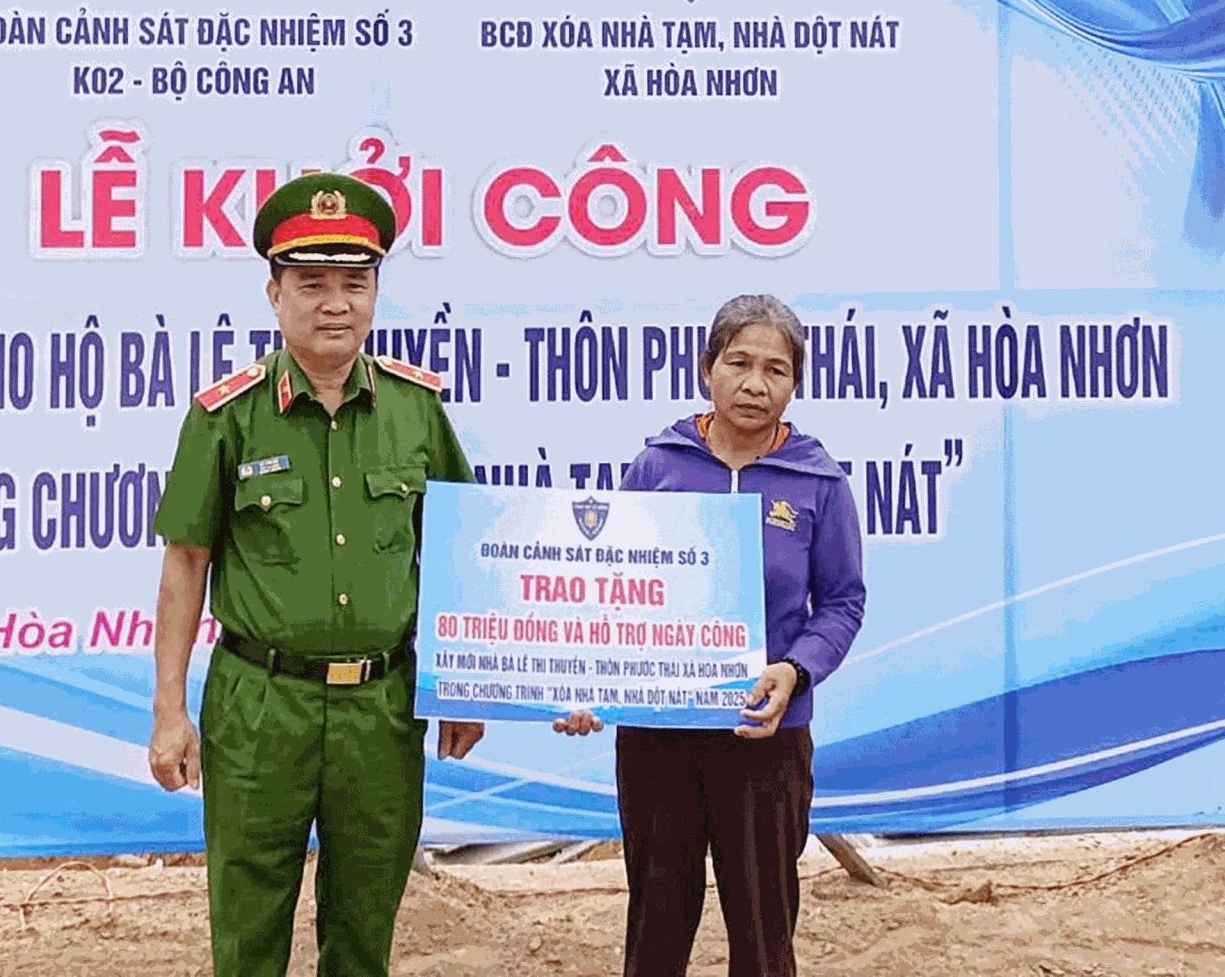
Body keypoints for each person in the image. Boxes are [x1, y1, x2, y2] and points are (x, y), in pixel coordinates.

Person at [146, 172, 486, 977]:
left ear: (375, 294)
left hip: (382, 708)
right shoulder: (226, 416)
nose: (336, 304)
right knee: (248, 928)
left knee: (365, 926)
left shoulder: (415, 410)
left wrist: (463, 686)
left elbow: (456, 548)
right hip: (261, 708)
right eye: (312, 284)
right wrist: (169, 709)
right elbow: (185, 563)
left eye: (354, 284)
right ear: (275, 294)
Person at [554, 294, 865, 977]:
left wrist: (795, 670)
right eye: (739, 363)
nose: (755, 384)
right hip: (659, 740)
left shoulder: (818, 482)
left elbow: (842, 602)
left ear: (795, 384)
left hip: (766, 738)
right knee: (657, 926)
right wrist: (587, 685)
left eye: (776, 370)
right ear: (707, 369)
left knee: (764, 933)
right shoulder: (657, 468)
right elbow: (611, 593)